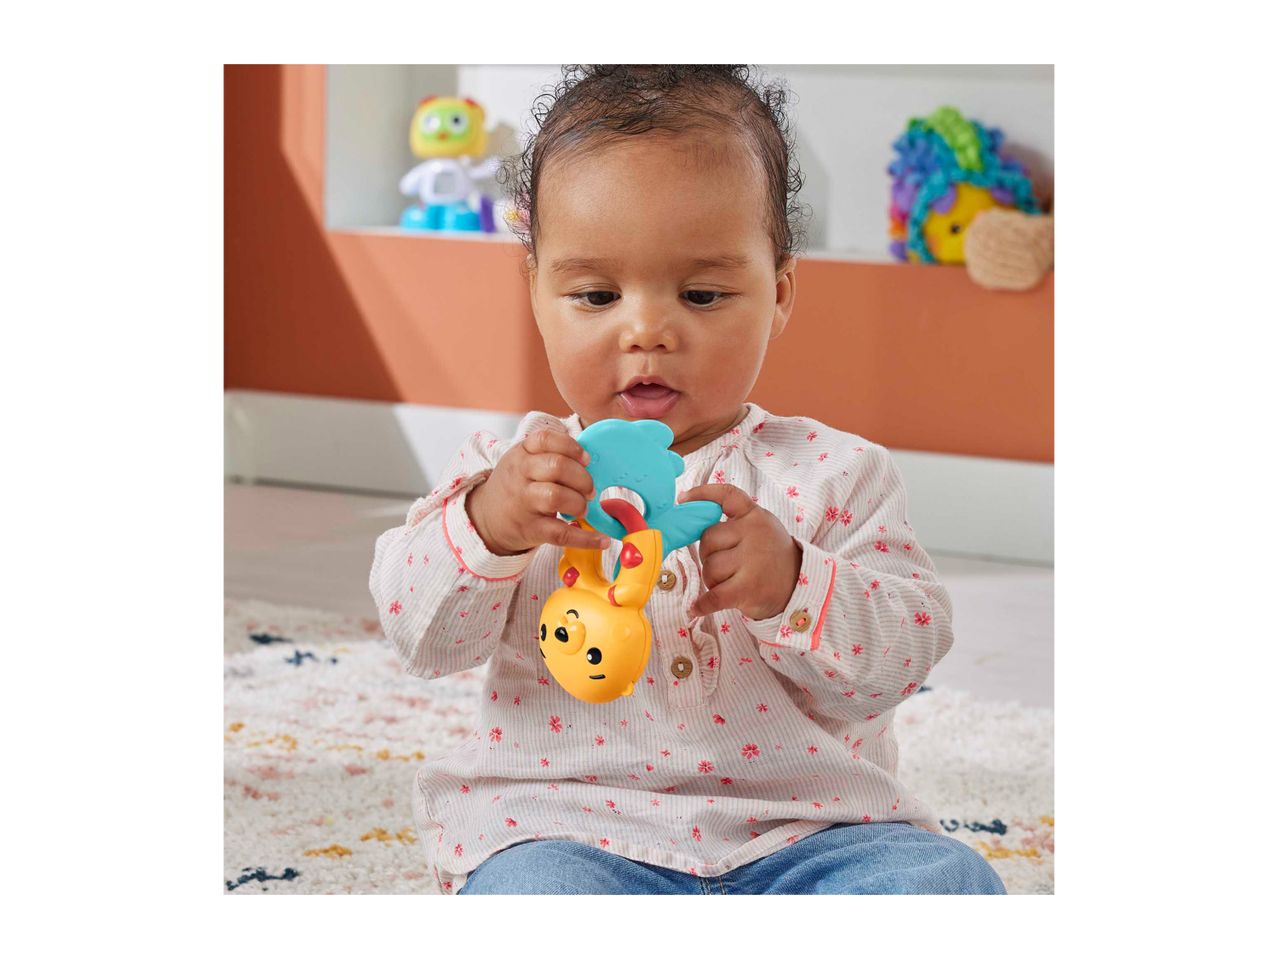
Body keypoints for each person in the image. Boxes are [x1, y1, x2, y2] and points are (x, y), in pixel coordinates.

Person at [369, 65, 1004, 895]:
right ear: (535, 290)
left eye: (702, 293)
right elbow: (420, 637)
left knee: (946, 883)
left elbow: (904, 654)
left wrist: (796, 586)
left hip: (811, 835)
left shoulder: (837, 474)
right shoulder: (516, 478)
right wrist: (487, 526)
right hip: (568, 829)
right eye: (596, 294)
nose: (648, 330)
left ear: (777, 293)